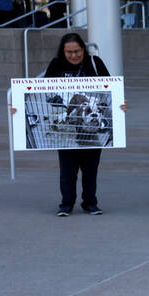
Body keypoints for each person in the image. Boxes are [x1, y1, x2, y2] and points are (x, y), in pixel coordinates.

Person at [39, 33, 125, 216]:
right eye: (69, 52)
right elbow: (43, 93)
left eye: (77, 51)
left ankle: (90, 203)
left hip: (91, 125)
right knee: (67, 169)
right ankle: (66, 204)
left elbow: (111, 90)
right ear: (63, 52)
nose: (74, 55)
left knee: (90, 168)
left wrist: (120, 104)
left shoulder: (95, 63)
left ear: (83, 50)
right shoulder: (56, 65)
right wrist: (17, 109)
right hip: (69, 124)